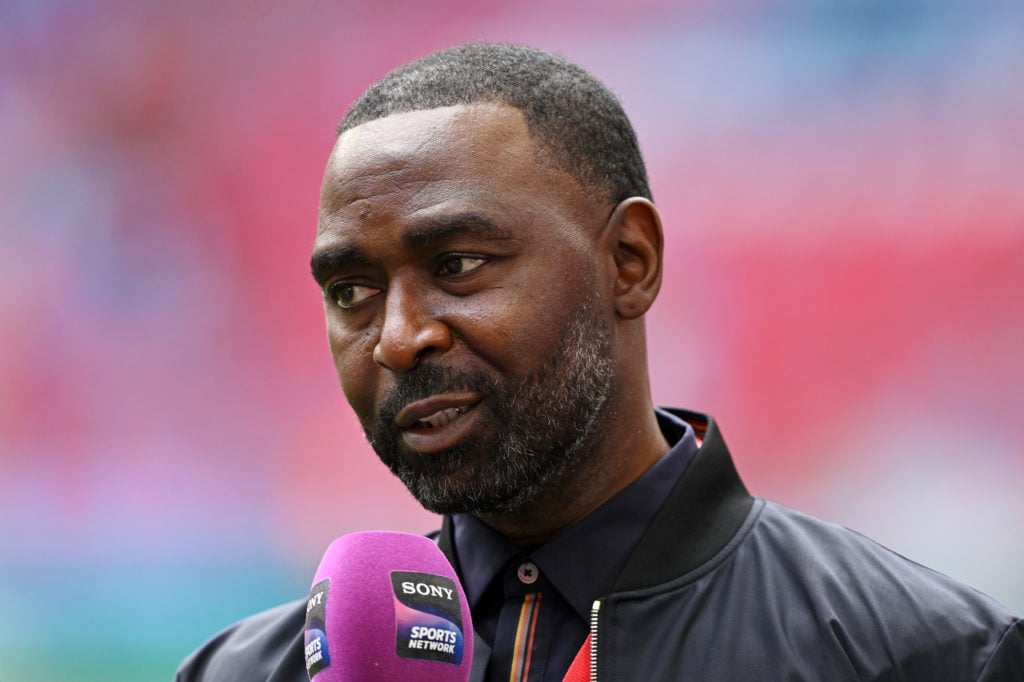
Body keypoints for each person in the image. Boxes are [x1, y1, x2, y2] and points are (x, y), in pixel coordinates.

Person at [177, 43, 1023, 681]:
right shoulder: (243, 672)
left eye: (459, 265)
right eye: (352, 291)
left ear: (630, 260)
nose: (399, 338)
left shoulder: (922, 653)